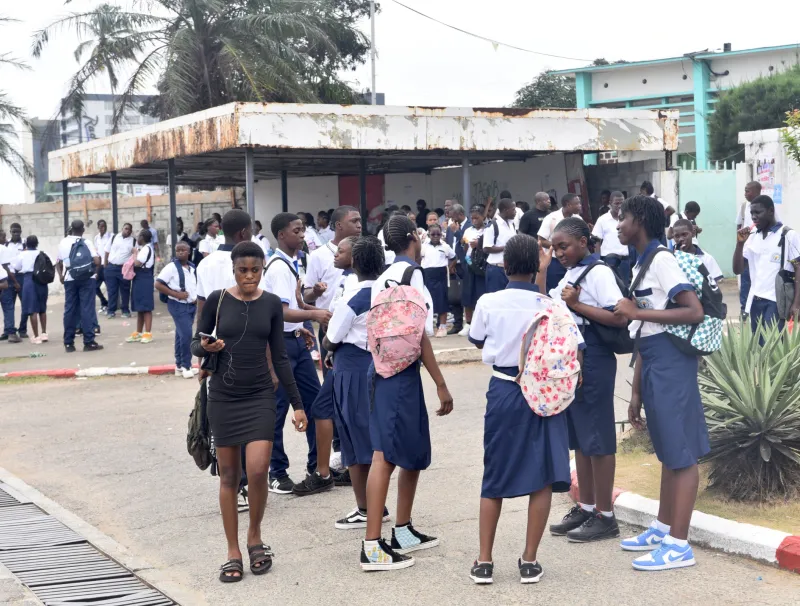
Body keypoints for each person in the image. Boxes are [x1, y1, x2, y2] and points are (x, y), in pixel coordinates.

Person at [192, 241, 307, 583]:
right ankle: (233, 551)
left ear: (262, 270)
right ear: (233, 269)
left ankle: (254, 536)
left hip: (260, 395)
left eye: (255, 270)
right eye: (243, 270)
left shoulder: (271, 304)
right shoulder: (217, 300)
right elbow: (195, 342)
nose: (249, 276)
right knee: (229, 476)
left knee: (257, 471)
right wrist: (206, 346)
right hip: (224, 397)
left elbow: (281, 356)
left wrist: (298, 404)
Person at [467, 234, 574, 585]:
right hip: (543, 392)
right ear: (536, 267)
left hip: (504, 390)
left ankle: (484, 561)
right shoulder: (552, 304)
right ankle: (529, 561)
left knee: (494, 474)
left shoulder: (488, 301)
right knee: (541, 477)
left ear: (506, 266)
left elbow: (478, 339)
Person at [613, 195, 708, 571]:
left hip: (671, 363)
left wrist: (637, 309)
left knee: (680, 451)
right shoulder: (643, 261)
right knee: (668, 449)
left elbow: (692, 310)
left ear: (642, 221)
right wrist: (636, 393)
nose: (618, 224)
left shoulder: (662, 260)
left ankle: (679, 545)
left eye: (624, 218)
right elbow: (645, 329)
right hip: (653, 361)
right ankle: (664, 526)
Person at [361, 214, 454, 571]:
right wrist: (441, 384)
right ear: (414, 236)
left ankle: (401, 529)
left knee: (411, 450)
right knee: (385, 454)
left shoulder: (382, 275)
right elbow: (421, 335)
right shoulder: (412, 274)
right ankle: (372, 545)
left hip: (384, 369)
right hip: (400, 373)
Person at [537, 218, 626, 544]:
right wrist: (545, 267)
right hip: (572, 362)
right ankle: (586, 507)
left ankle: (606, 516)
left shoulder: (599, 272)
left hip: (596, 361)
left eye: (564, 246)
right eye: (555, 247)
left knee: (599, 438)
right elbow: (544, 301)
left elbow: (620, 316)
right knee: (583, 440)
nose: (559, 252)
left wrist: (577, 305)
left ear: (585, 242)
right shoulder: (570, 273)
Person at [292, 207, 363, 497]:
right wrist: (313, 297)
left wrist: (330, 343)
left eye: (360, 221)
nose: (359, 225)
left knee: (331, 406)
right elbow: (307, 295)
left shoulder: (355, 285)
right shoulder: (321, 256)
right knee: (340, 406)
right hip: (334, 333)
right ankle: (347, 465)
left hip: (344, 340)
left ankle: (329, 472)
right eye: (354, 221)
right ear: (337, 226)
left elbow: (344, 318)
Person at [322, 236, 389, 529]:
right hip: (378, 366)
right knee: (369, 438)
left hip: (351, 369)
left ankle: (367, 508)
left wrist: (328, 346)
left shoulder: (354, 298)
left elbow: (332, 338)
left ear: (355, 263)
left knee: (353, 439)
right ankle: (371, 505)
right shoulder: (388, 291)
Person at [264, 213, 333, 495]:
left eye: (303, 229)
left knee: (316, 402)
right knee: (280, 409)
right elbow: (279, 312)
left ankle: (318, 466)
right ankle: (276, 472)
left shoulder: (292, 263)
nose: (303, 235)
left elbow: (296, 303)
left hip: (295, 341)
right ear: (282, 235)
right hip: (278, 345)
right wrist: (314, 314)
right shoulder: (278, 266)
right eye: (297, 230)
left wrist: (304, 320)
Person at [733, 195, 800, 332]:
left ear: (770, 211)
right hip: (755, 301)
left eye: (758, 212)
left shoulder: (788, 235)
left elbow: (798, 268)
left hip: (776, 302)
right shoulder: (752, 237)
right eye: (752, 213)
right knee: (758, 349)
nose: (753, 217)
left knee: (774, 347)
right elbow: (737, 270)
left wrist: (796, 304)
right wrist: (740, 245)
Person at [56, 220, 104, 353]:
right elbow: (97, 261)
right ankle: (89, 342)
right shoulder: (87, 242)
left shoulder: (63, 242)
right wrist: (94, 271)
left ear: (71, 229)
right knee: (86, 309)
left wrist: (61, 276)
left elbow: (58, 262)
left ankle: (69, 343)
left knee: (70, 310)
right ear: (82, 230)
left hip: (69, 279)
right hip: (86, 279)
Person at [156, 242, 198, 379]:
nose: (180, 253)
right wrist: (176, 294)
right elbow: (158, 283)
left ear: (189, 252)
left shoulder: (192, 267)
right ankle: (187, 365)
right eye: (178, 250)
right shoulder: (171, 267)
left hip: (191, 305)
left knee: (181, 335)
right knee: (186, 335)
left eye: (183, 250)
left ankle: (179, 365)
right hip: (178, 305)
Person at [538, 193, 585, 292]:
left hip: (574, 262)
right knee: (554, 290)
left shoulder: (578, 219)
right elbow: (541, 240)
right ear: (568, 204)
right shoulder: (551, 218)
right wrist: (560, 247)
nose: (580, 205)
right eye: (577, 203)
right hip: (556, 262)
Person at [11, 236, 49, 344]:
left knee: (32, 310)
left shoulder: (22, 254)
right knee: (42, 308)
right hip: (42, 281)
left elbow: (17, 267)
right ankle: (44, 333)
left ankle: (36, 336)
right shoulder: (42, 253)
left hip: (29, 280)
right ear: (37, 243)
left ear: (26, 244)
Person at [421, 224, 456, 337]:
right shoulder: (424, 247)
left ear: (441, 234)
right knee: (427, 301)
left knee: (442, 301)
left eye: (438, 234)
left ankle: (442, 327)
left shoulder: (445, 246)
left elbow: (453, 257)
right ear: (428, 234)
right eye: (433, 234)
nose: (436, 236)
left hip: (441, 275)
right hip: (428, 275)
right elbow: (418, 258)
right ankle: (428, 327)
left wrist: (450, 268)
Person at [736, 181, 763, 316]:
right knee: (745, 278)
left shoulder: (767, 206)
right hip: (746, 249)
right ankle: (744, 308)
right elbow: (739, 225)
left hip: (760, 250)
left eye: (748, 191)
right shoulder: (744, 207)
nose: (746, 194)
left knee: (758, 277)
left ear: (758, 191)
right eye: (745, 191)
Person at [592, 191, 631, 285]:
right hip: (609, 260)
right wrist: (598, 260)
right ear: (610, 203)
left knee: (625, 287)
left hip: (625, 260)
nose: (619, 206)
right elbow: (596, 240)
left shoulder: (629, 218)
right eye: (616, 203)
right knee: (610, 286)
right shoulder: (602, 220)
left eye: (622, 203)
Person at [460, 205, 487, 337]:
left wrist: (479, 245)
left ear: (483, 217)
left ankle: (481, 323)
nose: (474, 221)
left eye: (477, 218)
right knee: (468, 294)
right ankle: (468, 323)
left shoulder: (487, 230)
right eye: (472, 218)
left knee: (480, 293)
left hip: (482, 265)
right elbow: (465, 247)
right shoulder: (468, 231)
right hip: (470, 264)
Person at [482, 198, 518, 293]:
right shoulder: (493, 225)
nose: (515, 212)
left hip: (510, 269)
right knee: (495, 298)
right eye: (513, 209)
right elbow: (486, 248)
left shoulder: (512, 224)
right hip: (496, 269)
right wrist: (507, 247)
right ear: (506, 210)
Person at [127, 229, 156, 344]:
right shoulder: (143, 248)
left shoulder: (146, 249)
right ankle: (139, 332)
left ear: (143, 238)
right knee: (140, 307)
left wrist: (134, 253)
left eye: (139, 236)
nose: (137, 239)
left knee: (146, 307)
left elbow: (137, 263)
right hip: (139, 278)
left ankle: (147, 333)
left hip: (144, 278)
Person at [445, 203, 470, 335]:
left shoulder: (470, 225)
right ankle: (457, 323)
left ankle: (469, 323)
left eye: (453, 216)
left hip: (466, 263)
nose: (452, 220)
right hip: (454, 264)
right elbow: (449, 245)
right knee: (454, 295)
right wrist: (451, 262)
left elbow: (467, 242)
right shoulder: (451, 227)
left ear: (460, 214)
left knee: (466, 294)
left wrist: (457, 232)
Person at [0, 222, 26, 342]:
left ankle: (22, 330)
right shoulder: (4, 246)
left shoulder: (25, 243)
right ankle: (9, 331)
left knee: (24, 304)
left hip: (21, 275)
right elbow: (5, 266)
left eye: (18, 231)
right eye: (13, 231)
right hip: (8, 278)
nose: (15, 233)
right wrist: (14, 281)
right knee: (8, 305)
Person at [103, 223, 135, 318]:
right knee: (112, 290)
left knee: (125, 290)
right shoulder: (114, 237)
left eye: (129, 229)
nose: (127, 231)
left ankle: (125, 310)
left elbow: (135, 254)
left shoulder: (133, 241)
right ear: (122, 228)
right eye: (126, 228)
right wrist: (105, 265)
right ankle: (111, 310)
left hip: (124, 269)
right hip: (111, 267)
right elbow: (107, 251)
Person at [93, 220, 111, 313]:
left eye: (104, 226)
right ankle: (104, 302)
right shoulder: (96, 238)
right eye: (101, 227)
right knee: (95, 286)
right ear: (98, 227)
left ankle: (110, 307)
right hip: (99, 266)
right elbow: (96, 252)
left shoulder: (110, 237)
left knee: (109, 287)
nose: (103, 228)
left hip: (107, 265)